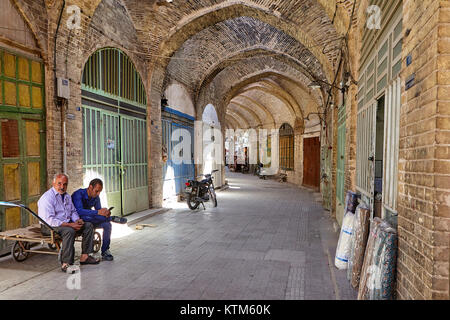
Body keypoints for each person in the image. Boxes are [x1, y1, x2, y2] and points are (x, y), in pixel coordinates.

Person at [38, 173, 100, 273]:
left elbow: (72, 211)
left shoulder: (66, 196)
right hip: (49, 226)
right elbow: (49, 220)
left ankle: (85, 257)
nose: (62, 187)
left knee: (88, 225)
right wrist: (70, 225)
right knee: (69, 231)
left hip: (65, 223)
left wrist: (77, 220)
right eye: (59, 184)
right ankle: (66, 264)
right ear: (53, 183)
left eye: (65, 184)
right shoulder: (47, 198)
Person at [71, 178, 127, 262]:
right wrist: (98, 212)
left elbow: (99, 212)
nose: (98, 194)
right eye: (96, 191)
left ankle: (105, 251)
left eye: (100, 192)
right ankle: (111, 218)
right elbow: (79, 211)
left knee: (107, 224)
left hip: (91, 219)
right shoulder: (78, 194)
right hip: (78, 220)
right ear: (90, 187)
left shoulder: (96, 197)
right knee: (86, 217)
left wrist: (105, 213)